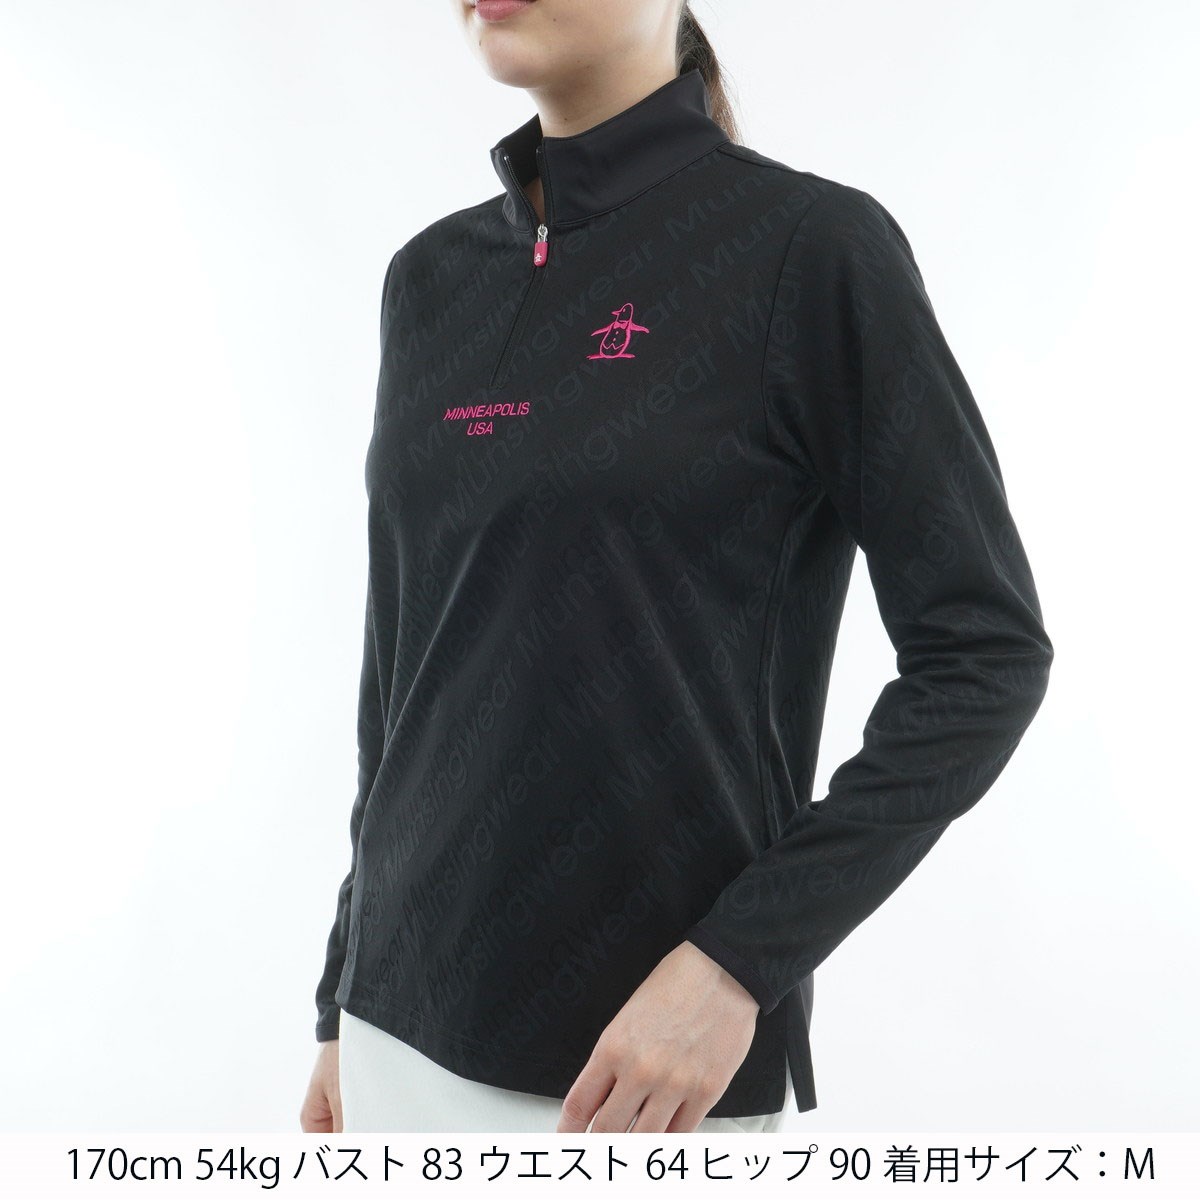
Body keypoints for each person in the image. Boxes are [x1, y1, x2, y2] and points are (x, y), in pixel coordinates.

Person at [300, 0, 1054, 1136]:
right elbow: (400, 679)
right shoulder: (429, 278)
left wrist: (737, 964)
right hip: (391, 1038)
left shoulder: (810, 251)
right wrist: (338, 995)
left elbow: (985, 656)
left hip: (644, 1075)